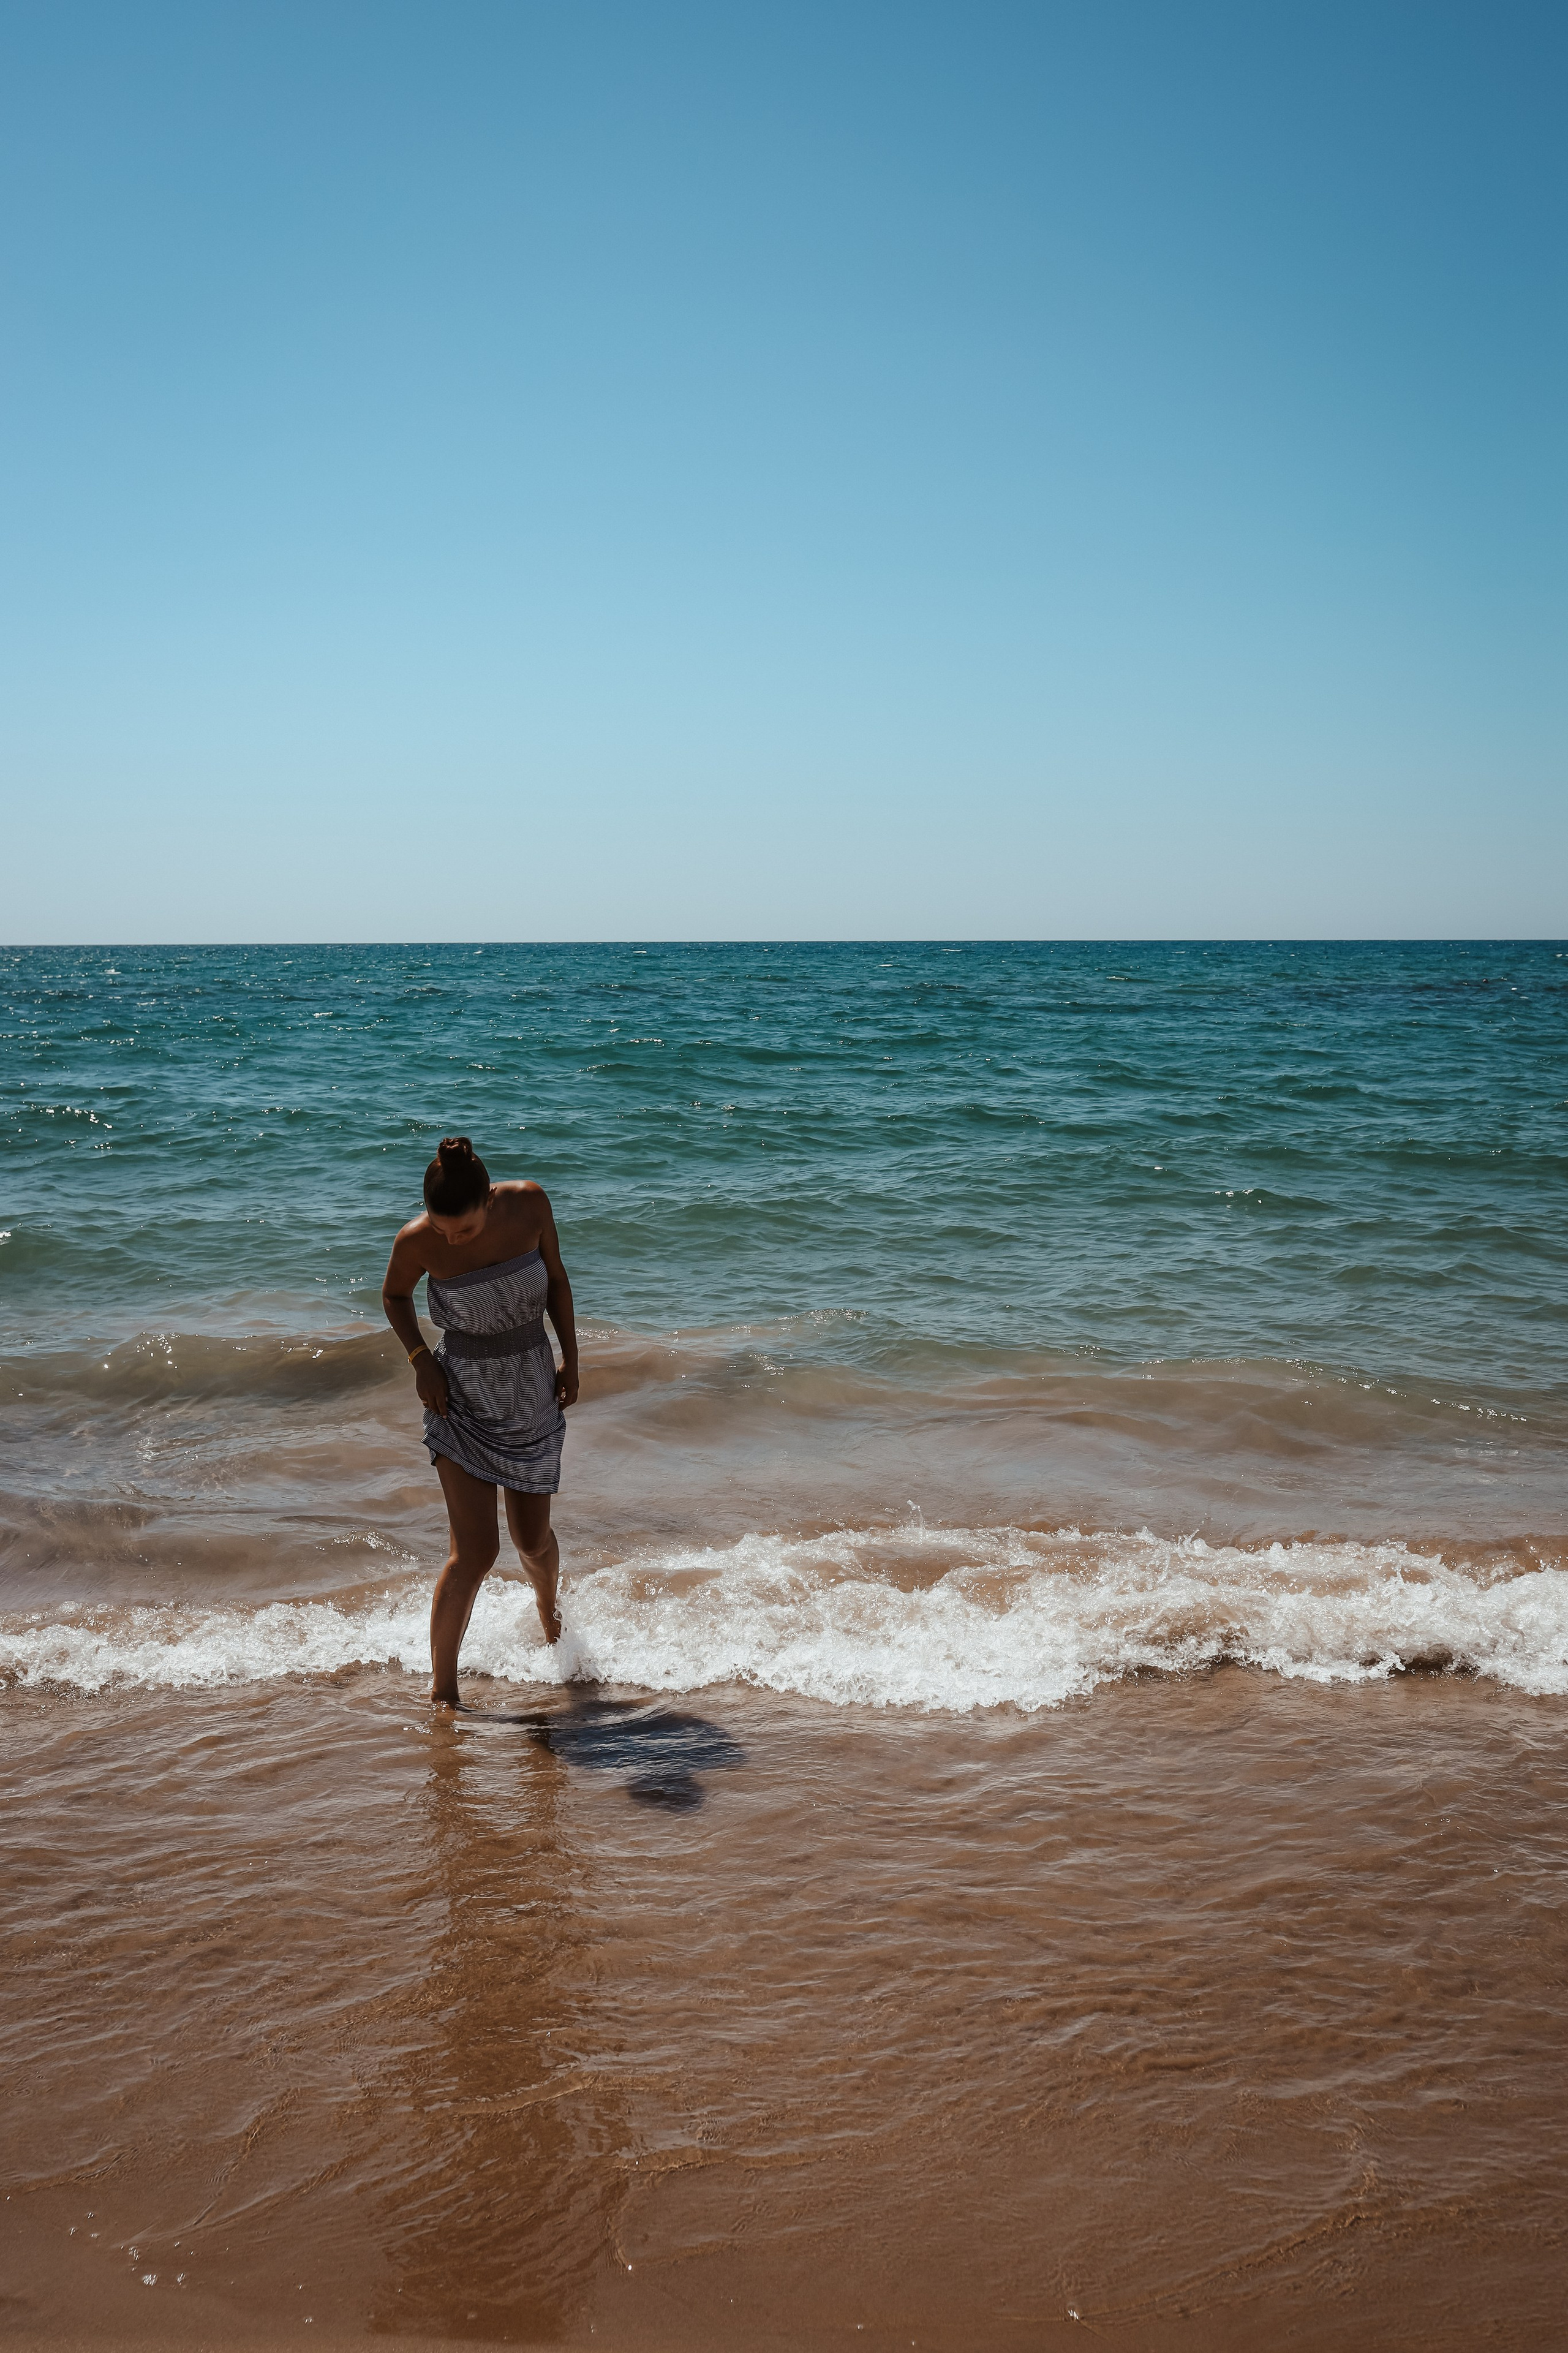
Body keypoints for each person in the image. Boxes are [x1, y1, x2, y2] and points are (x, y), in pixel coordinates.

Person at [382, 1136, 579, 1706]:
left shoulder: (531, 1206)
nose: (451, 1240)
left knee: (532, 1539)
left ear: (489, 1201)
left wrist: (571, 1358)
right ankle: (443, 1695)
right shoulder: (417, 1239)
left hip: (531, 1390)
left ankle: (551, 1615)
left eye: (463, 1230)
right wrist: (422, 1360)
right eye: (442, 1230)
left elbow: (558, 1282)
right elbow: (395, 1296)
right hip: (460, 1396)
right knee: (475, 1551)